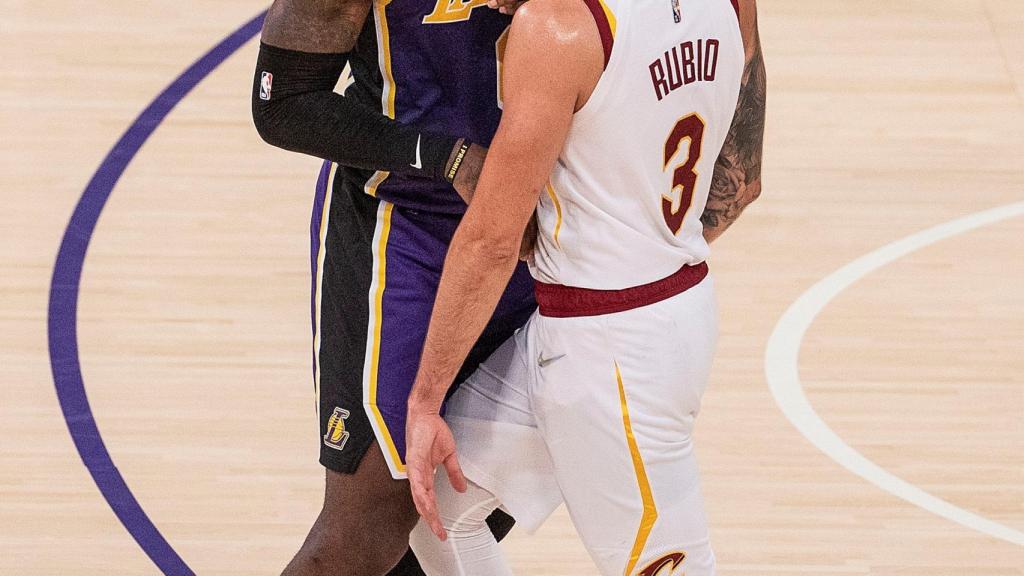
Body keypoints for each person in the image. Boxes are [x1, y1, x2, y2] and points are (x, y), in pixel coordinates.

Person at [403, 0, 766, 573]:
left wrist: (424, 401)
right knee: (441, 517)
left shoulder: (558, 29)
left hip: (611, 351)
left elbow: (491, 241)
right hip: (655, 305)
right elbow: (743, 173)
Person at [250, 0, 537, 573]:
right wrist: (444, 158)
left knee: (470, 502)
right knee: (364, 531)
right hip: (407, 231)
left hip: (546, 228)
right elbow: (281, 101)